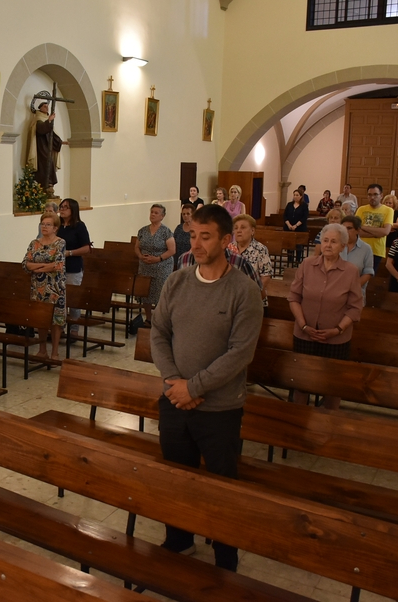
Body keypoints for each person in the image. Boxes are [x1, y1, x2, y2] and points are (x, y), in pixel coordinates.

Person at [150, 203, 263, 568]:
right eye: (193, 235)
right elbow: (158, 333)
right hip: (174, 400)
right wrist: (173, 382)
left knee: (220, 487)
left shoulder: (243, 291)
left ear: (226, 240)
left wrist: (193, 388)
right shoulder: (177, 281)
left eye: (206, 237)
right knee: (177, 479)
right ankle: (180, 540)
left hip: (219, 408)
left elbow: (240, 353)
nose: (195, 244)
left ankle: (225, 557)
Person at [288, 223, 363, 410]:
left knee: (332, 386)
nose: (328, 245)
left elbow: (355, 308)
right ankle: (299, 418)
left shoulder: (350, 271)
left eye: (334, 242)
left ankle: (329, 421)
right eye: (325, 240)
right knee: (301, 384)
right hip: (305, 335)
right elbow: (294, 298)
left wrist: (337, 330)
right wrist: (304, 326)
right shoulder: (307, 265)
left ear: (343, 246)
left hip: (336, 340)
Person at [22, 213, 66, 359]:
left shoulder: (60, 243)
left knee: (55, 320)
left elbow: (57, 265)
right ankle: (42, 350)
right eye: (43, 224)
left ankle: (54, 352)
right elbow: (26, 264)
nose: (44, 227)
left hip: (55, 288)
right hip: (38, 288)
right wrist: (43, 266)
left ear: (55, 228)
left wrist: (36, 267)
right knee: (40, 318)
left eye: (48, 224)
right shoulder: (34, 243)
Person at [135, 204, 176, 322]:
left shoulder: (166, 231)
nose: (153, 214)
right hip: (145, 266)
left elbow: (172, 250)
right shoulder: (142, 230)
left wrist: (158, 259)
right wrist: (140, 256)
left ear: (162, 216)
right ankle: (148, 318)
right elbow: (137, 247)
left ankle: (159, 319)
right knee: (145, 293)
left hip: (161, 267)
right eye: (152, 212)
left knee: (159, 293)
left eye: (156, 213)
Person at [58, 198, 91, 336]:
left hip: (73, 267)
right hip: (57, 268)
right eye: (61, 207)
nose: (62, 209)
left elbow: (86, 248)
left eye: (65, 207)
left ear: (73, 210)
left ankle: (74, 329)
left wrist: (69, 253)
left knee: (72, 299)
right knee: (59, 299)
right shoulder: (57, 225)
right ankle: (59, 327)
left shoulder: (79, 226)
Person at [229, 214, 272, 307]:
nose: (238, 231)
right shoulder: (229, 248)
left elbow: (266, 276)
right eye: (236, 228)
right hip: (231, 298)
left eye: (243, 227)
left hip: (253, 298)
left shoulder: (260, 249)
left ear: (252, 231)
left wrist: (254, 294)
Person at [355, 183, 393, 272]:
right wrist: (377, 233)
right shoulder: (361, 209)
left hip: (376, 251)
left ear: (381, 196)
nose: (372, 197)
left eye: (375, 194)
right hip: (360, 249)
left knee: (368, 276)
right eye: (370, 195)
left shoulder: (388, 210)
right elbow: (356, 231)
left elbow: (385, 232)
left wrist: (363, 227)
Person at [27, 101, 63, 194]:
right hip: (40, 146)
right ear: (40, 108)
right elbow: (41, 129)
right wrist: (49, 121)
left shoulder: (46, 118)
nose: (47, 108)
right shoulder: (38, 118)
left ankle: (49, 184)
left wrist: (60, 141)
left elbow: (52, 135)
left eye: (47, 106)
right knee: (46, 162)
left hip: (47, 146)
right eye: (44, 106)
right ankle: (45, 184)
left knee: (50, 162)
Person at [339, 216, 375, 306]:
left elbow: (368, 272)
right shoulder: (337, 245)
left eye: (349, 228)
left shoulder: (366, 249)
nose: (345, 231)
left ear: (358, 230)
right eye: (343, 228)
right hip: (335, 292)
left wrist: (351, 288)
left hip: (355, 293)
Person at [284, 189, 309, 265]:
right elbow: (285, 216)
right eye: (294, 195)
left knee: (299, 245)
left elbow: (304, 217)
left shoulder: (304, 206)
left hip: (300, 228)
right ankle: (290, 260)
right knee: (289, 244)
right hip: (289, 227)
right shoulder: (289, 204)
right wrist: (289, 225)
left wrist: (296, 225)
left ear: (301, 196)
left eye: (297, 195)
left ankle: (297, 260)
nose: (295, 196)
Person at [172, 204, 195, 270]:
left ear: (193, 214)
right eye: (183, 214)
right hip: (177, 261)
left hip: (191, 261)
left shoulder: (196, 228)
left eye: (188, 214)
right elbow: (174, 242)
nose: (185, 216)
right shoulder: (179, 228)